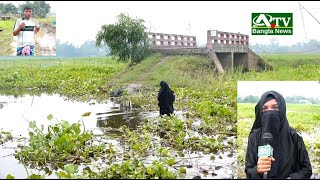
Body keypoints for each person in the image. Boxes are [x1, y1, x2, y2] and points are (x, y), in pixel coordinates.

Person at [245, 90, 312, 179]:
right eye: (265, 109)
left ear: (282, 110)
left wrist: (292, 178)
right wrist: (257, 170)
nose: (270, 112)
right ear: (260, 112)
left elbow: (306, 170)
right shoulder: (254, 137)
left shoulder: (294, 137)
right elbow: (248, 170)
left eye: (275, 108)